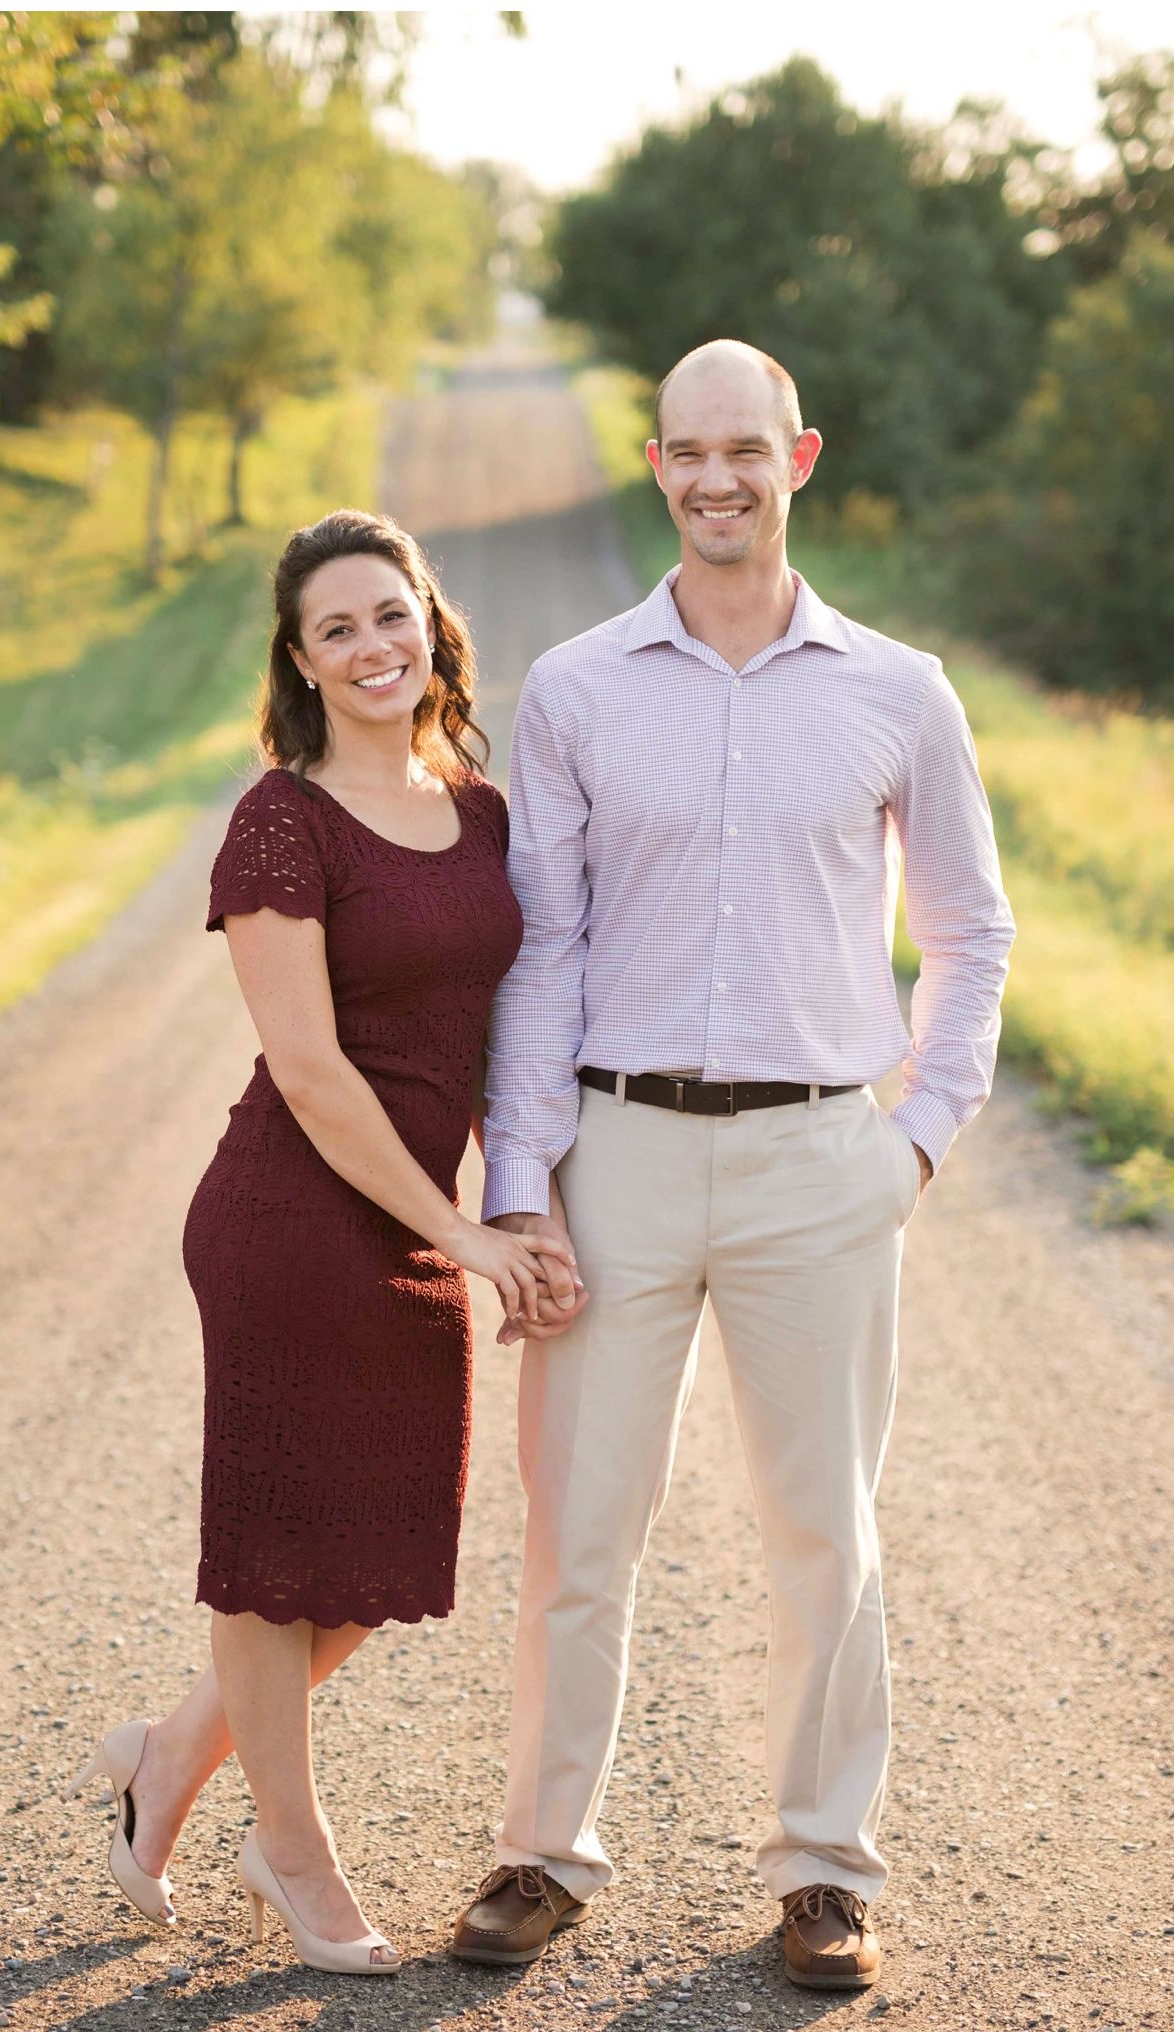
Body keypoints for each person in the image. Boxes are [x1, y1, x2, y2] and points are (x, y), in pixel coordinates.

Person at [454, 340, 1017, 1992]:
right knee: (578, 1529)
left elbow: (972, 933)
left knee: (821, 1532)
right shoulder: (572, 689)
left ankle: (824, 1871)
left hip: (819, 1159)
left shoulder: (896, 689)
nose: (718, 478)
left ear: (800, 458)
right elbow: (538, 949)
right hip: (615, 1151)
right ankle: (542, 1853)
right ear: (654, 466)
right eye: (688, 452)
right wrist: (522, 1182)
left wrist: (915, 1138)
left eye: (745, 450)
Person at [70, 508, 582, 1977]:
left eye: (390, 615)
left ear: (433, 624)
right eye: (336, 630)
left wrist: (515, 1209)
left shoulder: (476, 810)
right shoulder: (279, 820)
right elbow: (309, 1069)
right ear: (299, 662)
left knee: (373, 1564)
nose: (372, 647)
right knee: (272, 1559)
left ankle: (166, 1761)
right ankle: (287, 1852)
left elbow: (490, 1040)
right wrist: (460, 1234)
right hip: (289, 1227)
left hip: (422, 1229)